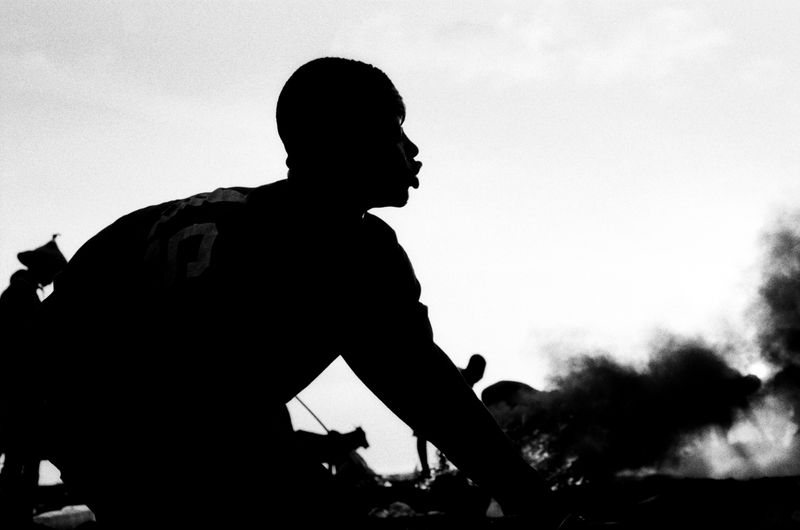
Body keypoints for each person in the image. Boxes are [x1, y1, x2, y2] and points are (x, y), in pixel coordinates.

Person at [40, 57, 563, 528]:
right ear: (351, 139)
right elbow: (421, 384)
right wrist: (531, 496)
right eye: (397, 130)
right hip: (170, 441)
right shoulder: (345, 243)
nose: (413, 149)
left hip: (86, 427)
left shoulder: (151, 225)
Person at [0, 235, 67, 527]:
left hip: (15, 389)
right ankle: (16, 518)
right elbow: (28, 345)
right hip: (19, 392)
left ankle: (15, 515)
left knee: (19, 457)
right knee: (22, 458)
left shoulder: (20, 291)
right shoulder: (23, 295)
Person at [415, 353, 486, 478]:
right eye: (479, 372)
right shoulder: (456, 380)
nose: (480, 376)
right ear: (475, 371)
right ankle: (428, 470)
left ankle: (435, 470)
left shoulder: (468, 386)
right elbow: (422, 434)